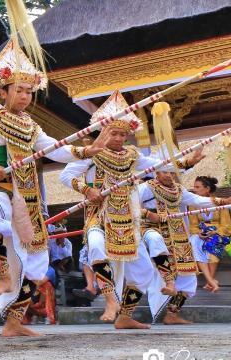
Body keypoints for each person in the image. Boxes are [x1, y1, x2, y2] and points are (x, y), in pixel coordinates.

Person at [0, 0, 109, 337]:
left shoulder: (31, 125)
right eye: (19, 90)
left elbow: (54, 148)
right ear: (4, 90)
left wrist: (88, 150)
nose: (25, 97)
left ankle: (13, 321)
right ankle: (1, 273)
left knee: (33, 263)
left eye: (29, 91)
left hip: (27, 198)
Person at [58, 92, 204, 329]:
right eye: (113, 133)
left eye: (122, 134)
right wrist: (87, 189)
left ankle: (125, 316)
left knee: (143, 270)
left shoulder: (132, 156)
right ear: (103, 131)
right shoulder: (93, 152)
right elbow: (66, 176)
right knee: (96, 246)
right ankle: (109, 300)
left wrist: (187, 163)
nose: (118, 138)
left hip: (127, 219)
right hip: (100, 215)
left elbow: (160, 165)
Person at [140, 169, 228, 325]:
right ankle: (130, 314)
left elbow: (198, 200)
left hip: (179, 238)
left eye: (172, 172)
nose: (169, 175)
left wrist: (224, 201)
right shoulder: (146, 188)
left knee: (188, 279)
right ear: (157, 173)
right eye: (165, 172)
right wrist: (147, 214)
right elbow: (129, 204)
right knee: (155, 277)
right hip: (155, 236)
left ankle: (172, 314)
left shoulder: (179, 190)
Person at [188, 176, 228, 291]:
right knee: (194, 241)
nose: (194, 189)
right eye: (194, 187)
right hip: (201, 233)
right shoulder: (193, 204)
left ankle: (210, 280)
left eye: (197, 187)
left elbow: (227, 225)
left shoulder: (219, 203)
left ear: (207, 189)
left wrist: (215, 232)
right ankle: (211, 280)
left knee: (212, 243)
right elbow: (192, 225)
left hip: (218, 233)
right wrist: (199, 232)